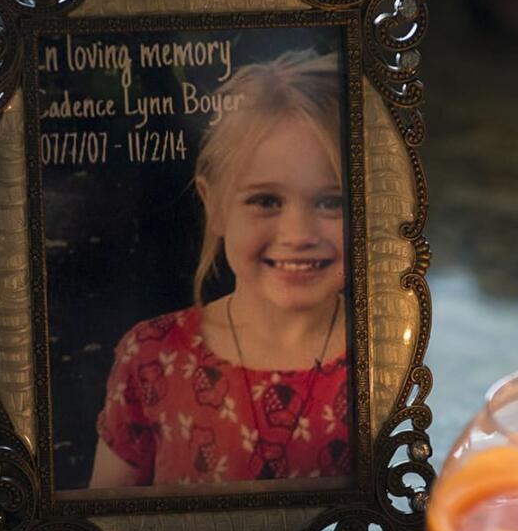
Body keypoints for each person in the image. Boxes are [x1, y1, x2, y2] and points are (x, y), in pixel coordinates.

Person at [89, 50, 351, 488]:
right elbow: (104, 526)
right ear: (215, 206)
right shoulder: (153, 356)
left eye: (331, 202)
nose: (298, 233)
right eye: (265, 201)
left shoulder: (386, 354)